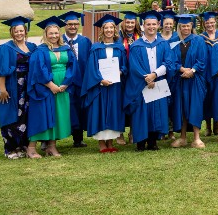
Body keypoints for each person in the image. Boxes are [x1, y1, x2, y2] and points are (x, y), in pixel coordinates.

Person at [27, 16, 77, 158]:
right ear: (46, 34)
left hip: (63, 87)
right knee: (43, 115)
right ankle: (31, 148)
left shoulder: (66, 48)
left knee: (58, 116)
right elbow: (38, 69)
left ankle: (52, 147)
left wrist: (65, 83)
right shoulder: (40, 50)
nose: (54, 36)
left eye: (56, 33)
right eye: (51, 33)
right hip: (46, 87)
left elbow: (72, 67)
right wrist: (51, 85)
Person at [0, 16, 38, 159]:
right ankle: (11, 149)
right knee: (11, 116)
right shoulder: (5, 48)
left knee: (26, 116)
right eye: (16, 31)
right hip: (12, 87)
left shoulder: (32, 47)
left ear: (25, 31)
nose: (19, 33)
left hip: (27, 87)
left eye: (21, 31)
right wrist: (2, 89)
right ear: (12, 32)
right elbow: (0, 70)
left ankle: (23, 146)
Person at [126, 10, 172, 151]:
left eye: (154, 24)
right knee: (142, 112)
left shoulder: (163, 44)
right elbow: (134, 66)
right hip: (141, 84)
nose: (151, 27)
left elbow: (169, 62)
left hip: (157, 82)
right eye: (148, 24)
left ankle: (153, 141)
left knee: (156, 112)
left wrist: (155, 75)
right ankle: (141, 142)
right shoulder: (136, 45)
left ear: (158, 25)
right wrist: (147, 78)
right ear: (143, 26)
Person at [81, 14, 126, 154]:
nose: (109, 30)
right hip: (100, 86)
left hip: (115, 87)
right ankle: (102, 144)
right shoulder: (96, 48)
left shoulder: (120, 48)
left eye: (111, 28)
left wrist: (120, 72)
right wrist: (100, 80)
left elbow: (125, 66)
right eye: (106, 28)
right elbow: (91, 68)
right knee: (100, 111)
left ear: (115, 30)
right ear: (102, 30)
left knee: (113, 111)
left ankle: (111, 142)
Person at [169, 14, 208, 149]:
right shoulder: (174, 41)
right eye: (183, 26)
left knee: (195, 107)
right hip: (179, 80)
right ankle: (183, 138)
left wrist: (192, 70)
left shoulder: (198, 40)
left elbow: (202, 60)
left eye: (188, 25)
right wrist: (181, 69)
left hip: (195, 80)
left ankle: (197, 138)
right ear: (179, 26)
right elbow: (170, 60)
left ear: (192, 26)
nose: (186, 28)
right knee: (181, 108)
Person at [59, 11, 91, 149]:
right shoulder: (58, 41)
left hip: (81, 82)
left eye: (75, 24)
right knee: (61, 109)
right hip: (63, 82)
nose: (73, 27)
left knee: (79, 109)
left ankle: (78, 139)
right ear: (64, 25)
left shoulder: (85, 41)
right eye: (69, 24)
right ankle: (48, 140)